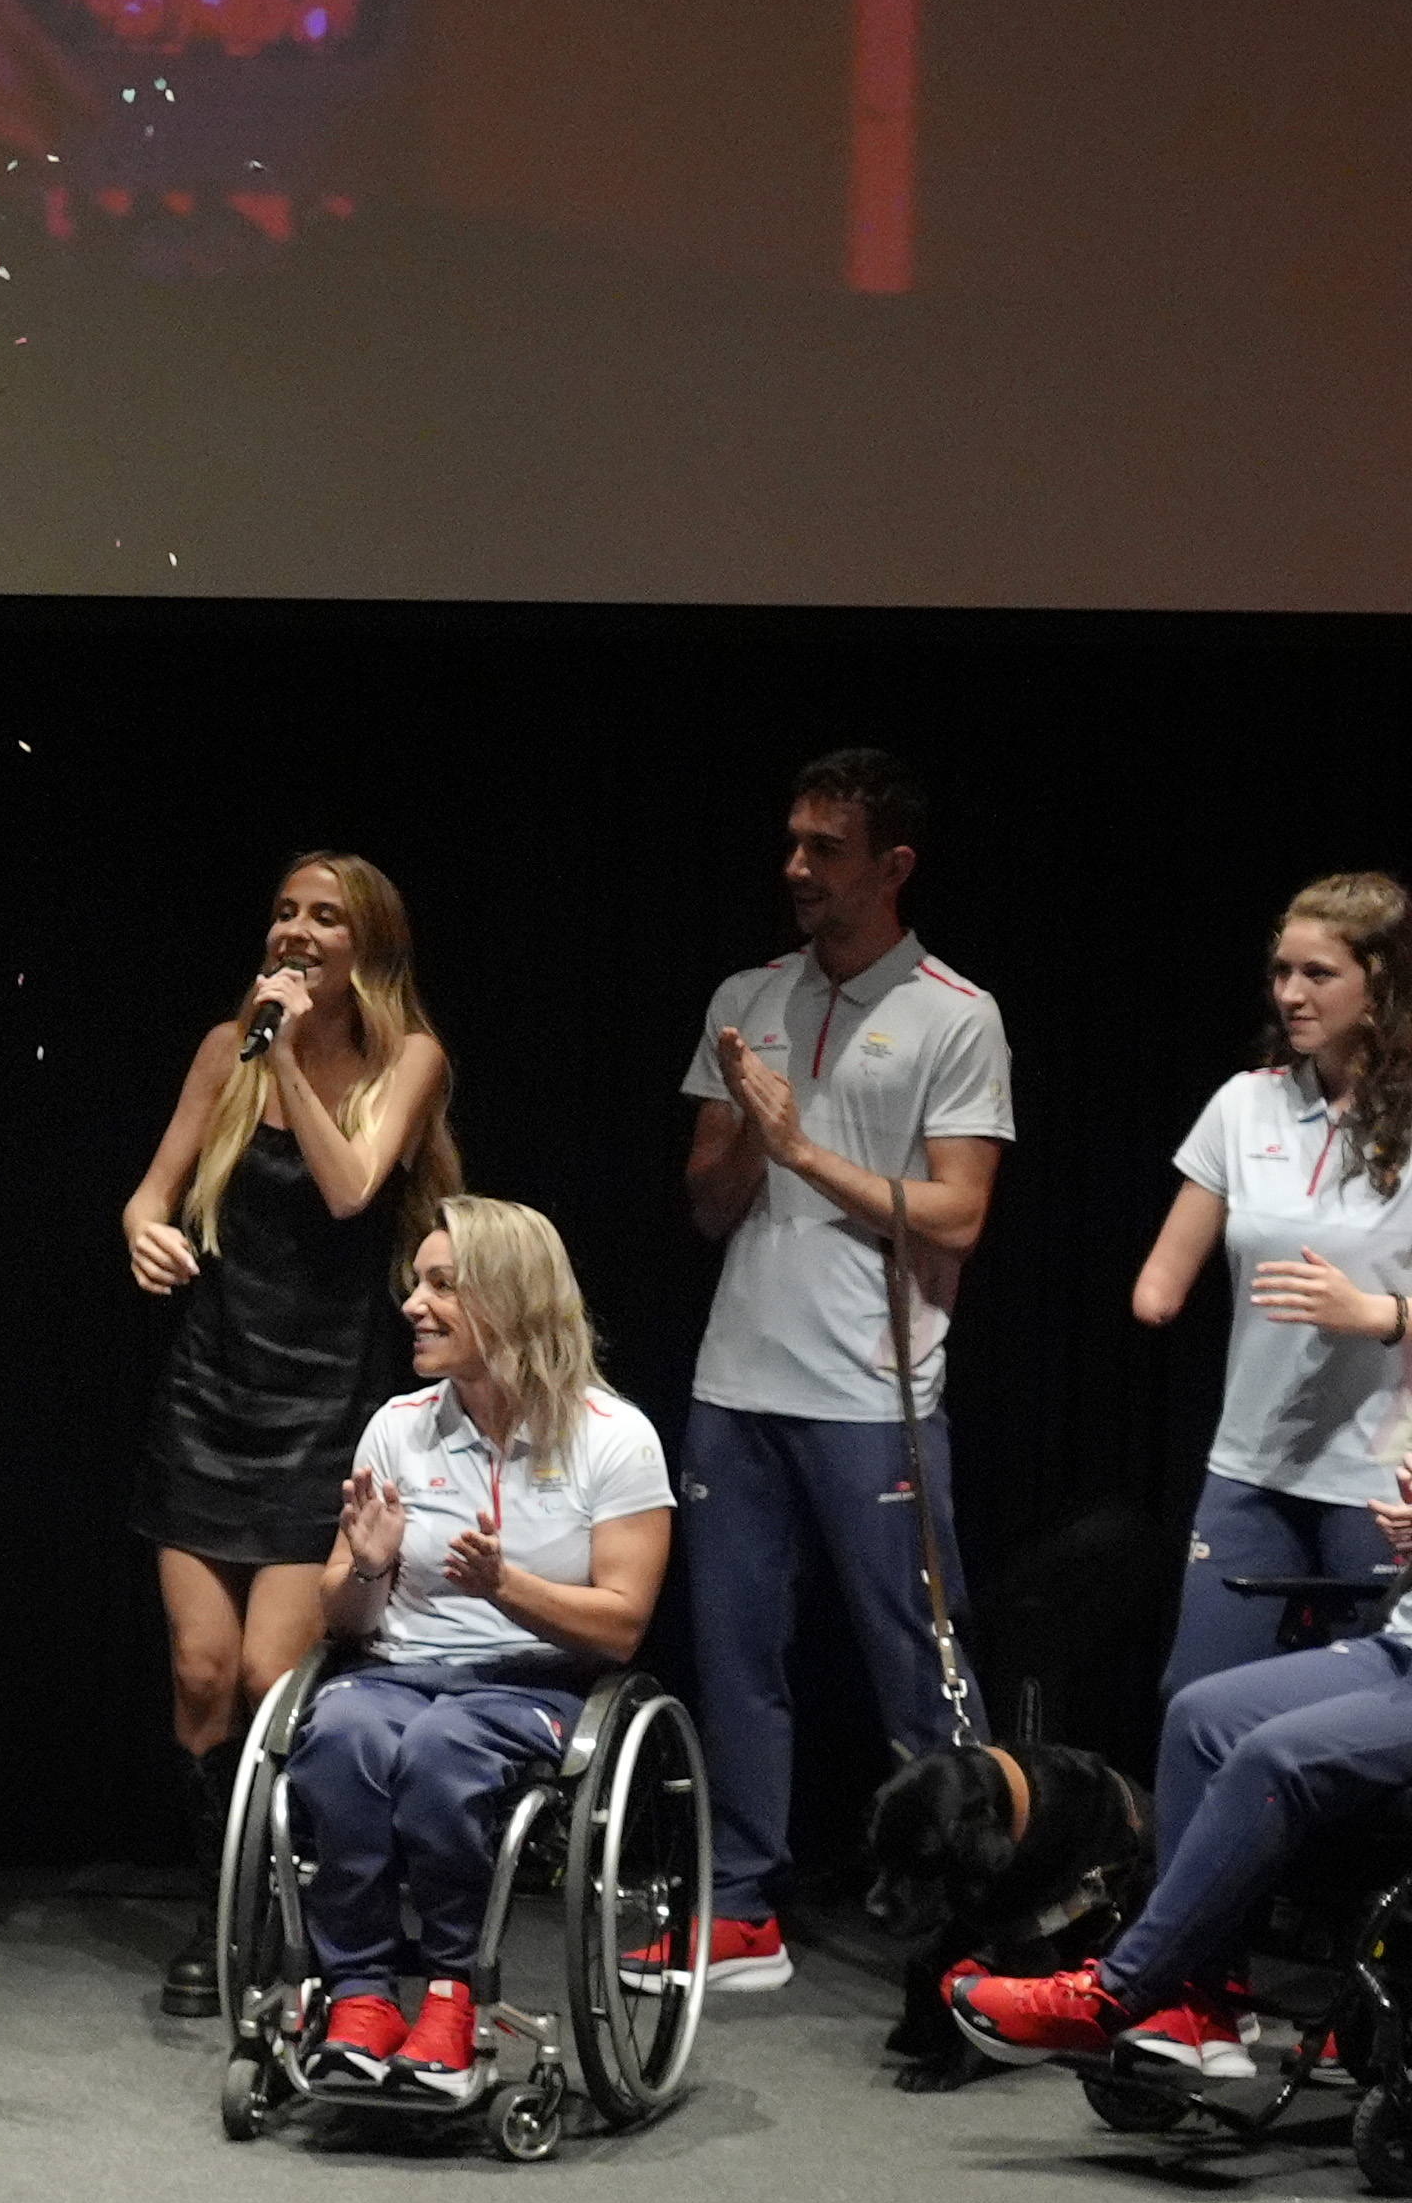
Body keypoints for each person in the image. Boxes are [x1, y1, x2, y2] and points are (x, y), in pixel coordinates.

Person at [674, 749, 1011, 1989]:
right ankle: (747, 1903)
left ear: (894, 865)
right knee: (736, 1657)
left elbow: (960, 1212)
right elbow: (707, 1206)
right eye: (793, 842)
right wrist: (754, 1146)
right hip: (737, 1387)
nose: (797, 868)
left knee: (917, 1668)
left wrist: (802, 1149)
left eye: (826, 848)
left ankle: (971, 1908)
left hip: (877, 1400)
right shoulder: (747, 994)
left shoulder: (954, 1013)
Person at [121, 851, 459, 2018]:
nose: (298, 933)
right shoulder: (226, 1053)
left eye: (326, 918)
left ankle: (280, 1905)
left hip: (324, 1406)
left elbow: (355, 1189)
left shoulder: (406, 1062)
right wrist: (144, 1233)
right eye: (285, 913)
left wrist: (292, 1058)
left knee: (272, 1674)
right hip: (210, 1396)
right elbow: (149, 1193)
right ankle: (222, 1911)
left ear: (367, 945)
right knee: (201, 1672)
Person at [297, 1200, 675, 2095]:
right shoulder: (400, 1426)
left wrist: (509, 1588)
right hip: (399, 1670)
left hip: (536, 1688)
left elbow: (622, 1623)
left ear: (509, 1301)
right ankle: (359, 1993)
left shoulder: (615, 1440)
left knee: (441, 1753)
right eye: (415, 1283)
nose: (413, 1305)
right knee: (340, 1736)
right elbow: (340, 1618)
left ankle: (453, 1995)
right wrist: (370, 1569)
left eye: (441, 1286)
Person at [952, 1454, 1412, 2079]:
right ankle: (1195, 2006)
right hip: (1400, 1650)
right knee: (1201, 1716)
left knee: (1273, 1758)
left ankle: (1119, 1988)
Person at [1130, 873, 1412, 1694]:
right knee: (1195, 1706)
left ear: (1382, 983)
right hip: (1252, 1468)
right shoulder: (1244, 1106)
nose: (1290, 993)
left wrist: (1377, 1312)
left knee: (1364, 1733)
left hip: (1381, 1483)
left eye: (1317, 974)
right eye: (1282, 972)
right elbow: (1160, 1286)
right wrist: (1159, 1288)